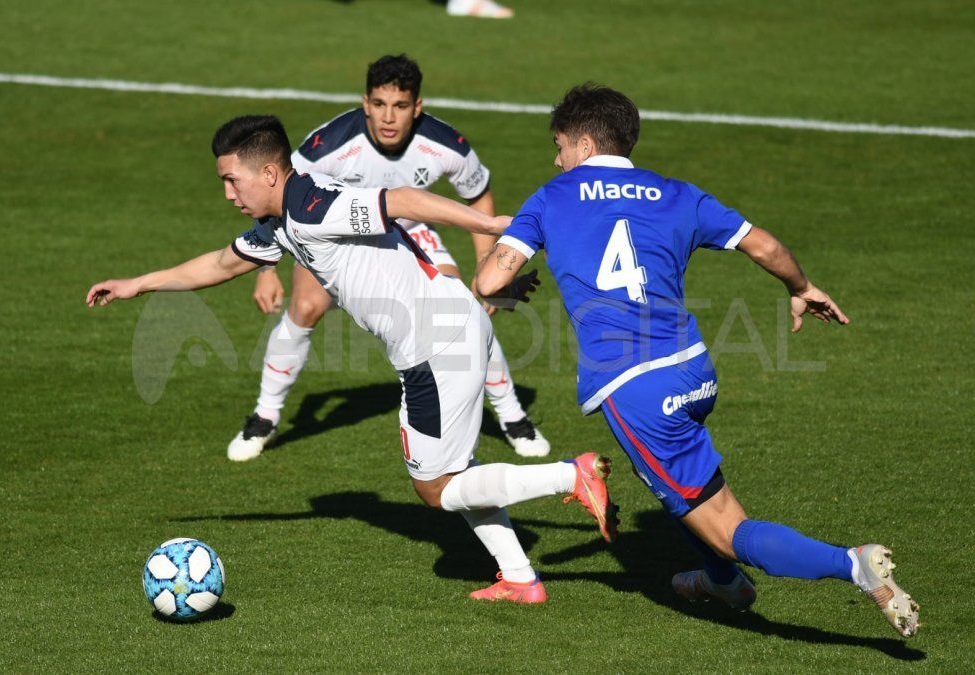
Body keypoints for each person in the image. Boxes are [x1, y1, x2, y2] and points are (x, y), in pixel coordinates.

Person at [86, 115, 618, 603]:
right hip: (454, 325)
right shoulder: (283, 220)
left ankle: (570, 476)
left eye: (232, 180)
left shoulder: (311, 206)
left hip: (434, 347)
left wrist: (492, 225)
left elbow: (405, 199)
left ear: (269, 173)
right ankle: (521, 578)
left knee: (436, 490)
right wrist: (140, 284)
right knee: (456, 470)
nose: (227, 193)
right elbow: (224, 263)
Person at [475, 84, 920, 636]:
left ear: (585, 145)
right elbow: (763, 245)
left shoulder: (552, 197)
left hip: (634, 388)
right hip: (692, 369)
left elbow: (489, 280)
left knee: (725, 526)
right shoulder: (677, 194)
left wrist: (511, 285)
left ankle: (852, 564)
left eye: (560, 145)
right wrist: (801, 286)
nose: (556, 157)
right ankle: (721, 581)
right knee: (680, 489)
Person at [233, 54, 549, 462]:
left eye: (400, 106)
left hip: (410, 232)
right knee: (305, 307)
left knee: (462, 311)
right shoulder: (328, 143)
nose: (388, 117)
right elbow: (273, 197)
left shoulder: (444, 144)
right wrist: (266, 271)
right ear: (365, 102)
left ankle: (512, 417)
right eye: (379, 104)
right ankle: (265, 417)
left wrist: (487, 267)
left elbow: (477, 194)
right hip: (331, 236)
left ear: (416, 107)